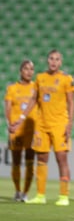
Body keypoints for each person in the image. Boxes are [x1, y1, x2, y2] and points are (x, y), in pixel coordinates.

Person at [10, 49, 74, 206]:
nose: (53, 62)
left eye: (57, 59)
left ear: (61, 62)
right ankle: (40, 195)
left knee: (62, 159)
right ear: (47, 61)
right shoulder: (40, 78)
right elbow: (33, 100)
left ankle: (64, 196)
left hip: (59, 124)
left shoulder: (66, 79)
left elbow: (71, 102)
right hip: (42, 124)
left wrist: (70, 124)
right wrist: (20, 119)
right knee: (41, 159)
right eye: (51, 58)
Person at [4, 60, 37, 202]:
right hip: (16, 130)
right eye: (26, 68)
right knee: (16, 161)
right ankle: (17, 190)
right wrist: (10, 125)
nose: (29, 71)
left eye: (31, 69)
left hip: (31, 130)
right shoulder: (12, 88)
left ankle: (25, 193)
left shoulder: (37, 87)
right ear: (20, 71)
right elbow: (8, 108)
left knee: (30, 162)